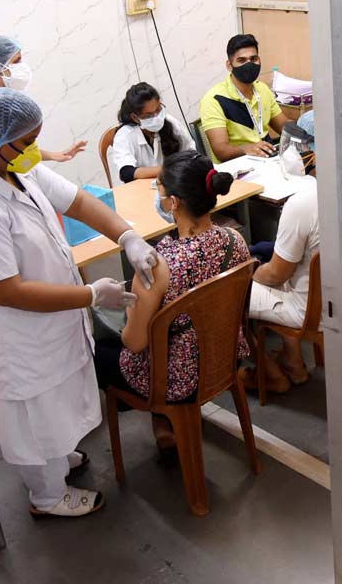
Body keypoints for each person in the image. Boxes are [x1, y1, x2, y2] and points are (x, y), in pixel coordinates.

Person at [0, 88, 159, 517]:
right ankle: (46, 495)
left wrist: (127, 236)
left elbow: (77, 201)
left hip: (53, 317)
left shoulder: (18, 170)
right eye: (26, 142)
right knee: (33, 414)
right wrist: (91, 295)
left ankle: (57, 457)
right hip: (17, 335)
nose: (34, 150)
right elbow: (8, 291)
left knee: (57, 403)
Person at [94, 150, 251, 452]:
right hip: (227, 356)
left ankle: (162, 414)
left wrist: (122, 315)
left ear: (174, 203)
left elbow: (134, 343)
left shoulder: (157, 264)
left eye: (160, 189)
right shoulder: (235, 240)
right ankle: (164, 420)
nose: (159, 197)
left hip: (179, 380)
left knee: (100, 350)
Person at [246, 112, 319, 393]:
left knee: (229, 293)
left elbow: (277, 273)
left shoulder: (302, 204)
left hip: (309, 310)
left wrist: (251, 272)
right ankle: (293, 361)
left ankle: (270, 374)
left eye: (301, 146)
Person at [0, 35, 86, 163]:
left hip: (19, 167)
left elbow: (18, 147)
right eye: (17, 61)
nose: (22, 67)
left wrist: (55, 155)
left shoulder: (8, 99)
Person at [199, 34, 293, 162]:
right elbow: (221, 151)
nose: (249, 64)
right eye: (241, 60)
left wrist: (304, 126)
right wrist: (247, 149)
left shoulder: (262, 89)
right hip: (236, 168)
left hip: (268, 159)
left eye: (253, 59)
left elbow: (282, 125)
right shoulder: (214, 99)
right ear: (229, 65)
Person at [108, 82, 196, 183]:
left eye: (158, 110)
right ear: (135, 117)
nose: (156, 117)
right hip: (138, 188)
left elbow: (191, 152)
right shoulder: (125, 136)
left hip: (170, 184)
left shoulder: (170, 122)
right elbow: (126, 173)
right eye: (149, 115)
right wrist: (171, 169)